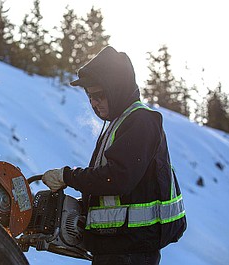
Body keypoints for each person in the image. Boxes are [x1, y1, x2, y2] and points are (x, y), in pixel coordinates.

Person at [41, 46, 187, 265]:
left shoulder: (141, 121)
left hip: (132, 252)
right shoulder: (119, 123)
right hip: (117, 248)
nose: (93, 102)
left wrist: (68, 177)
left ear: (116, 89)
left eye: (99, 95)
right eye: (89, 96)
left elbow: (118, 178)